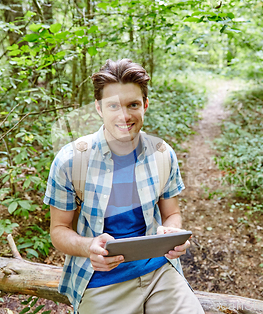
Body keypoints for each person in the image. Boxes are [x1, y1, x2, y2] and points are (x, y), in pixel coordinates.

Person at [44, 59, 204, 314]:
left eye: (133, 105)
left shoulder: (162, 154)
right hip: (101, 283)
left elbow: (172, 213)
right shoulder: (71, 160)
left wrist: (170, 234)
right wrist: (89, 247)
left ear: (145, 105)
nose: (125, 116)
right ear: (98, 108)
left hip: (160, 273)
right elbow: (59, 231)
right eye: (113, 106)